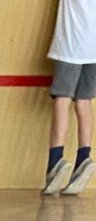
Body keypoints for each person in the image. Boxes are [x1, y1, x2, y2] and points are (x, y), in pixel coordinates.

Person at [44, 0, 96, 195]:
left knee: (62, 98)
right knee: (84, 100)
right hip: (94, 47)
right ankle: (84, 157)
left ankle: (56, 160)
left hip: (71, 44)